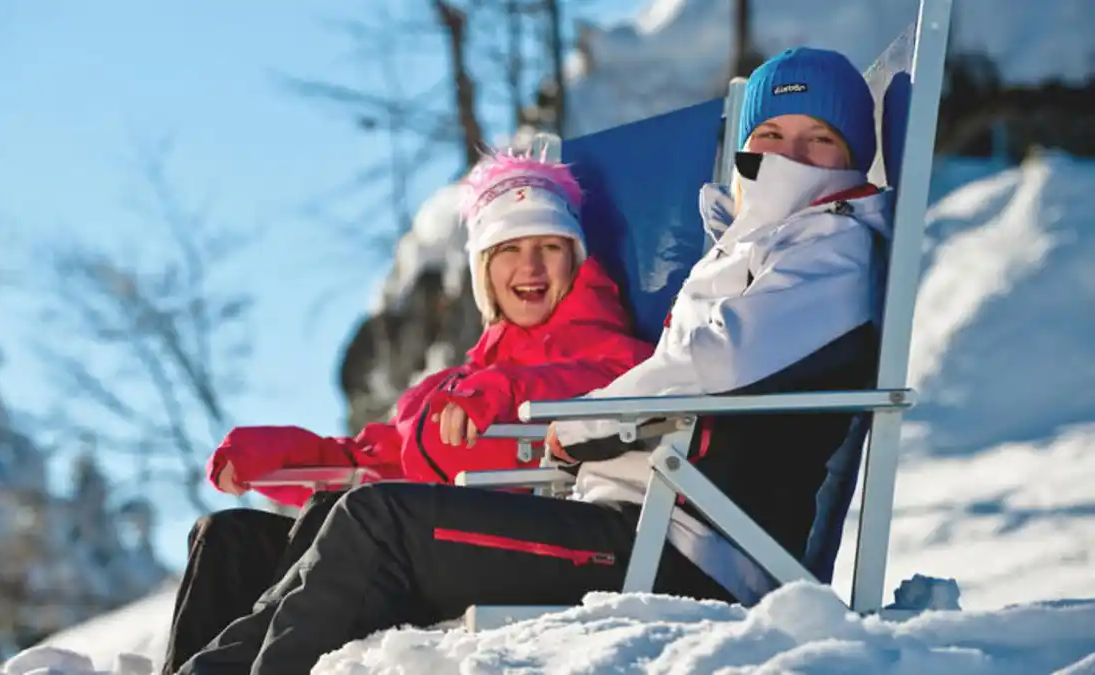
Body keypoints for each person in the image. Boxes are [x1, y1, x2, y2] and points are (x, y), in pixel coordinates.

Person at [177, 46, 892, 675]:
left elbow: (712, 362)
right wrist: (287, 455)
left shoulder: (828, 250)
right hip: (632, 520)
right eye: (771, 135)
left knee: (373, 523)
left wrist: (577, 424)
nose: (790, 157)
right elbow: (380, 451)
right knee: (293, 530)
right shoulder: (751, 249)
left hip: (678, 547)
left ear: (856, 156)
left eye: (818, 139)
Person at [160, 148, 656, 674]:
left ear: (575, 259)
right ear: (484, 270)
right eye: (509, 248)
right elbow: (374, 458)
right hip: (429, 540)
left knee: (363, 516)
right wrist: (273, 456)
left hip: (552, 537)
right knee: (230, 538)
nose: (530, 266)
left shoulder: (613, 351)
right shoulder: (453, 385)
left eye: (550, 246)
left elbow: (607, 382)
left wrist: (502, 390)